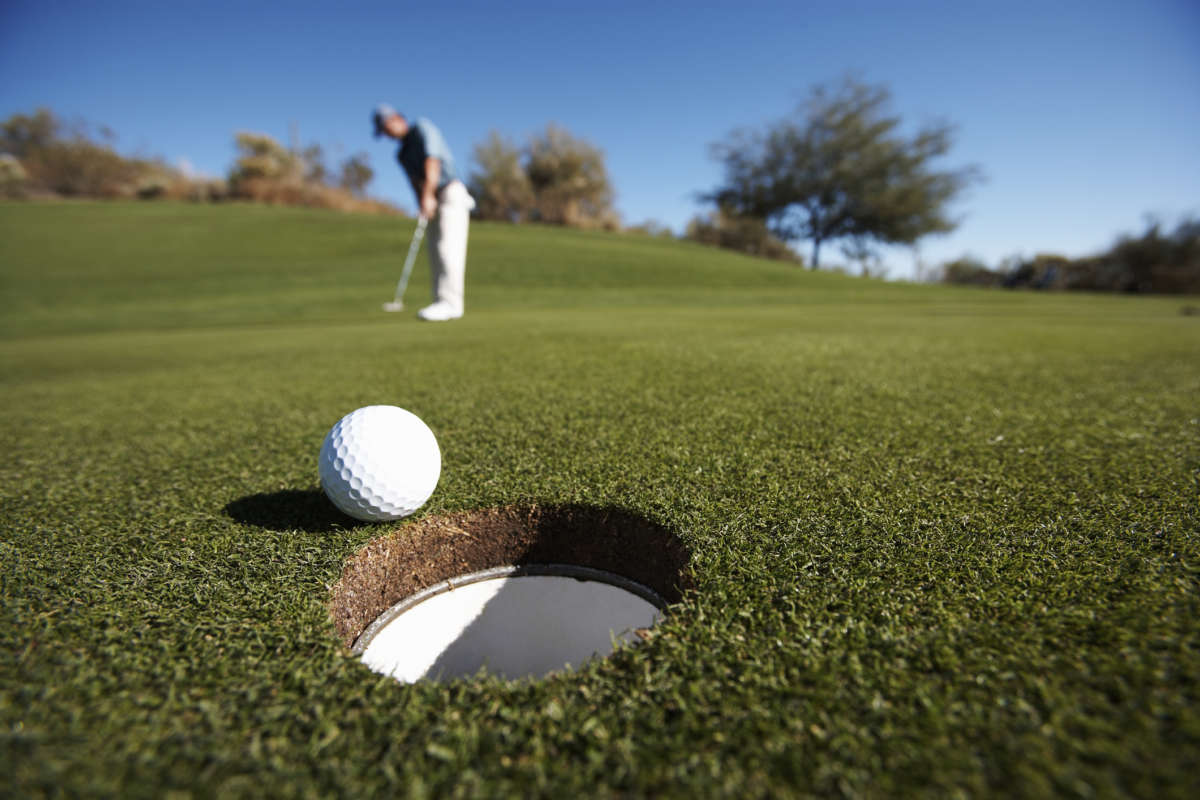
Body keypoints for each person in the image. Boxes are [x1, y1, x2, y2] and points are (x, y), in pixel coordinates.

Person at [373, 104, 475, 321]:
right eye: (383, 131)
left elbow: (433, 162)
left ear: (397, 118)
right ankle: (440, 301)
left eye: (387, 126)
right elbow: (413, 181)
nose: (387, 133)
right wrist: (422, 202)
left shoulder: (422, 128)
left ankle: (451, 304)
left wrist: (428, 195)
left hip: (450, 192)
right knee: (435, 251)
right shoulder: (401, 154)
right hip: (431, 199)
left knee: (449, 249)